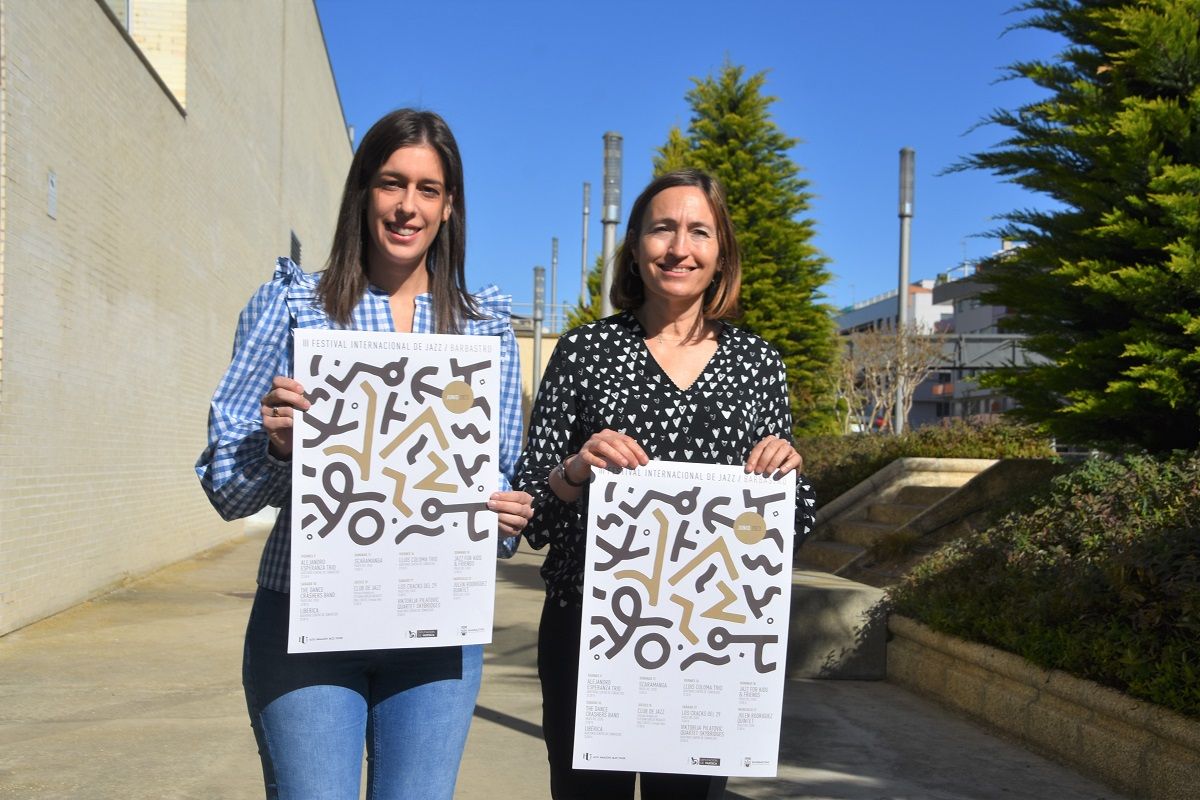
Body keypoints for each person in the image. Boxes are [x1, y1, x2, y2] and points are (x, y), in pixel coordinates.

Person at [195, 109, 532, 800]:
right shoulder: (295, 308)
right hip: (306, 622)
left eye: (429, 189)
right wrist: (277, 447)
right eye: (391, 183)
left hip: (436, 629)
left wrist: (505, 512)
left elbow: (498, 483)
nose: (408, 206)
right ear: (363, 192)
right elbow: (224, 485)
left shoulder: (484, 332)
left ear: (450, 207)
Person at [515, 168, 817, 800]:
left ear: (720, 252)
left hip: (708, 640)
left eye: (698, 232)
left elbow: (790, 525)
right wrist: (574, 469)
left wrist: (786, 471)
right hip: (589, 634)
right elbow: (532, 516)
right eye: (663, 229)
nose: (680, 248)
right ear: (634, 245)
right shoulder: (581, 352)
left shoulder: (757, 364)